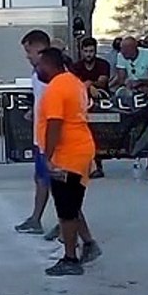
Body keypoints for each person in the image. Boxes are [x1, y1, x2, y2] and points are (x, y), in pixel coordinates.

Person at [35, 48, 100, 277]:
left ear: (49, 65)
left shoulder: (56, 87)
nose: (37, 69)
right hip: (80, 150)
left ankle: (70, 258)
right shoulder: (74, 81)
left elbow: (55, 124)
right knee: (71, 203)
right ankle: (88, 244)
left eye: (40, 64)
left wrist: (48, 156)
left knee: (66, 209)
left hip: (67, 155)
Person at [14, 29, 58, 238]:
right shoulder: (40, 73)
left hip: (49, 137)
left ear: (39, 49)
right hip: (41, 135)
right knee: (42, 178)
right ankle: (39, 219)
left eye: (28, 51)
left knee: (55, 181)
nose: (27, 57)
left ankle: (67, 225)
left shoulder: (49, 73)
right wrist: (35, 110)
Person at [71, 37, 111, 178]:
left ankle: (97, 165)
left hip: (101, 104)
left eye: (91, 51)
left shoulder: (103, 64)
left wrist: (89, 84)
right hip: (81, 105)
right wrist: (88, 85)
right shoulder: (76, 67)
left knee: (98, 135)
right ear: (81, 51)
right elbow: (74, 84)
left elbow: (103, 82)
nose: (89, 54)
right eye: (86, 51)